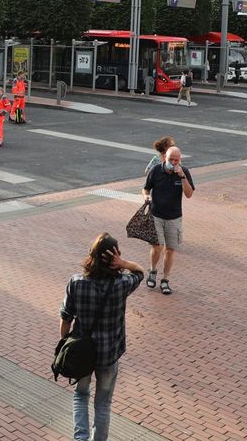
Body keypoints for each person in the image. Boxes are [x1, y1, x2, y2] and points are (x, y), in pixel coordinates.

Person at [59, 233, 143, 441]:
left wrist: (64, 341)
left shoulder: (76, 282)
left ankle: (81, 438)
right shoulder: (122, 283)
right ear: (114, 258)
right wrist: (123, 263)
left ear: (92, 256)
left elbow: (66, 318)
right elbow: (140, 271)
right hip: (109, 354)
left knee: (80, 395)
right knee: (103, 403)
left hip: (82, 353)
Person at [142, 143, 194, 295]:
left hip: (174, 217)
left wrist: (182, 177)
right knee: (157, 246)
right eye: (171, 159)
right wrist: (146, 195)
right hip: (156, 214)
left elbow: (189, 194)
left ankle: (165, 279)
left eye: (177, 160)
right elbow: (146, 187)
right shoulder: (156, 170)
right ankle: (152, 270)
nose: (174, 163)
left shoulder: (184, 172)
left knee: (170, 250)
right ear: (165, 157)